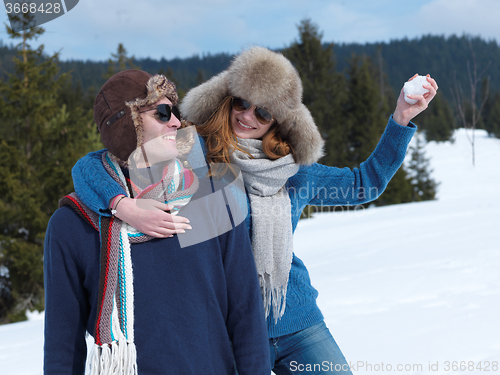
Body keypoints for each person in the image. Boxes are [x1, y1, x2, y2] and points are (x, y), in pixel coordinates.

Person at [71, 47, 438, 374]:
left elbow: (365, 183)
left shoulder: (296, 173)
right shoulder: (192, 148)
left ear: (278, 120)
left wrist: (402, 118)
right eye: (242, 103)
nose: (248, 116)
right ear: (227, 100)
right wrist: (124, 205)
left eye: (263, 112)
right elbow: (94, 164)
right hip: (228, 330)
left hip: (295, 321)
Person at [43, 69, 271, 375]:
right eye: (162, 113)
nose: (176, 122)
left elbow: (245, 312)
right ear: (127, 124)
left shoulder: (211, 196)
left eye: (174, 111)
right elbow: (62, 341)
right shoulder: (74, 225)